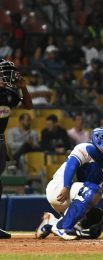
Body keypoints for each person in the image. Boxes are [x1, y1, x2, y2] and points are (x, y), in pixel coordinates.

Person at [35, 127, 103, 240]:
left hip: (73, 195)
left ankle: (50, 224)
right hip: (59, 188)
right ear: (99, 138)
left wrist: (87, 214)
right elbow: (71, 165)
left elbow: (93, 194)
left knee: (96, 217)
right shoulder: (86, 148)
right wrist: (66, 186)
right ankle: (63, 227)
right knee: (91, 191)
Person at [0, 59, 33, 238]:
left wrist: (23, 87)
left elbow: (28, 106)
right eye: (6, 72)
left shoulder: (8, 94)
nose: (9, 75)